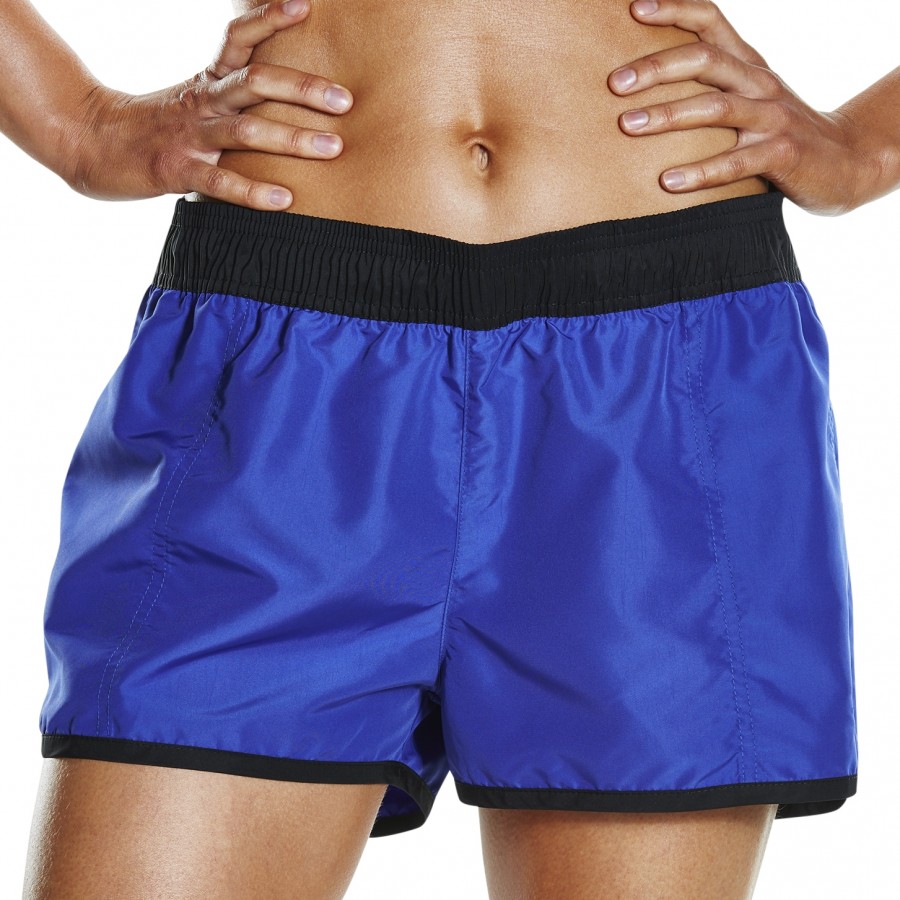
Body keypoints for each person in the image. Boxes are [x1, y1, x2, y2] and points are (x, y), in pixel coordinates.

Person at [6, 0, 895, 896]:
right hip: (282, 373)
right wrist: (80, 127)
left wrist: (864, 150)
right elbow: (80, 128)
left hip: (662, 385)